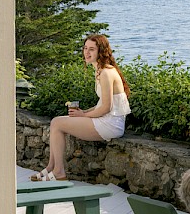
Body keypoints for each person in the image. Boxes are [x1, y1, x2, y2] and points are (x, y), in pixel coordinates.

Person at [34, 34, 131, 181]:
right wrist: (84, 112)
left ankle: (58, 171)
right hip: (106, 120)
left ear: (101, 51)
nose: (87, 52)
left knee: (57, 123)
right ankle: (51, 167)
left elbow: (106, 107)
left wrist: (83, 116)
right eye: (85, 48)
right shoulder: (100, 70)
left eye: (91, 49)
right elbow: (102, 103)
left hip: (110, 124)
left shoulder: (106, 72)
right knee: (56, 123)